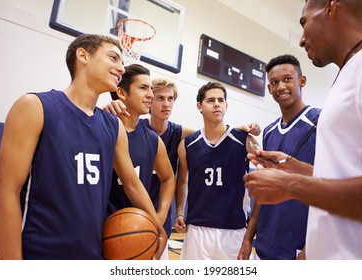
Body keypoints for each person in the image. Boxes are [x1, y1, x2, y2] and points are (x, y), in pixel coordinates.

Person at [0, 34, 167, 260]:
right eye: (113, 58)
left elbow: (132, 183)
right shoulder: (35, 106)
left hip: (91, 256)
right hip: (39, 253)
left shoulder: (113, 126)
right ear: (82, 55)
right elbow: (4, 193)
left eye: (122, 63)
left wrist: (157, 225)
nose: (121, 68)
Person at [244, 0, 362, 259]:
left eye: (304, 22)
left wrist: (292, 184)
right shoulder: (351, 71)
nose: (302, 39)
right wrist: (295, 168)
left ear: (331, 7)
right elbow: (346, 179)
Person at [104, 77, 262, 259]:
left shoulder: (184, 135)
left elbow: (213, 136)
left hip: (161, 218)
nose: (166, 104)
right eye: (160, 98)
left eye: (170, 99)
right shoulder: (128, 129)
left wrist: (238, 131)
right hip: (120, 213)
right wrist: (107, 110)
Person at [238, 54, 320, 260]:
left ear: (302, 81)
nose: (280, 86)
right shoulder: (269, 131)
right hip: (265, 243)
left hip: (300, 246)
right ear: (269, 89)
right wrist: (249, 238)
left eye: (287, 79)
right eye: (274, 82)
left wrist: (311, 247)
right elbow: (264, 191)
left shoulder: (320, 121)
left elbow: (333, 185)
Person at [174, 81, 260, 260]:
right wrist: (180, 212)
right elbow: (182, 181)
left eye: (221, 100)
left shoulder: (244, 140)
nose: (216, 104)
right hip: (197, 228)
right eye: (210, 100)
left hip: (234, 229)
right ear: (199, 106)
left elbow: (266, 171)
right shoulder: (187, 145)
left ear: (226, 106)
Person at [107, 64, 175, 259]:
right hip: (104, 228)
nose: (150, 95)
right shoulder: (101, 127)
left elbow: (169, 178)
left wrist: (160, 216)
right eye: (143, 88)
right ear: (121, 92)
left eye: (150, 89)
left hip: (141, 228)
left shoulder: (153, 140)